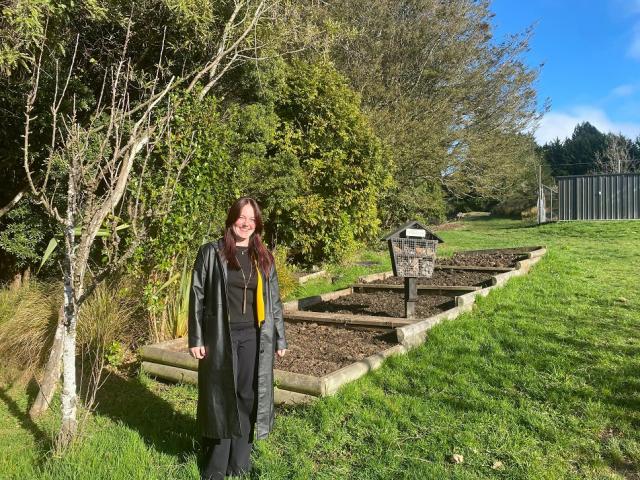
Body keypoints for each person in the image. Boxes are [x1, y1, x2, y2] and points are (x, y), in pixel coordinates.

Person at [188, 197, 287, 480]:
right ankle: (216, 468)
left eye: (252, 219)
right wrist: (196, 338)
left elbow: (275, 302)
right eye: (242, 217)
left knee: (247, 396)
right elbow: (197, 296)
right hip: (221, 337)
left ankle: (240, 463)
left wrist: (280, 338)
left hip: (254, 337)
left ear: (258, 225)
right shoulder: (211, 252)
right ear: (232, 219)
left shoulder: (263, 257)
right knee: (222, 398)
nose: (246, 223)